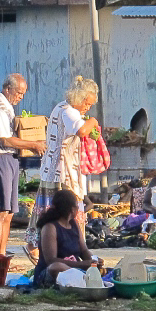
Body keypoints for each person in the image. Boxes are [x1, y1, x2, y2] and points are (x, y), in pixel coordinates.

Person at [27, 75, 100, 253]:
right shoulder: (69, 112)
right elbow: (82, 131)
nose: (87, 108)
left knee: (48, 212)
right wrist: (93, 121)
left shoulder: (60, 107)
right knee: (65, 213)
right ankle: (63, 250)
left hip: (54, 171)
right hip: (63, 174)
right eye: (87, 104)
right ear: (79, 99)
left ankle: (37, 248)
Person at [0, 73, 44, 256]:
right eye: (19, 92)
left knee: (8, 213)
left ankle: (1, 253)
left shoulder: (7, 106)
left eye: (23, 94)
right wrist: (33, 144)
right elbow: (4, 140)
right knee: (0, 212)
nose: (21, 97)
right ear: (8, 89)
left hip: (10, 159)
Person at [32, 189, 101, 287]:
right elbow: (51, 261)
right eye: (77, 205)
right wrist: (83, 264)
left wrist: (94, 262)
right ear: (73, 209)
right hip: (50, 273)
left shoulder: (74, 224)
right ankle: (85, 280)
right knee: (57, 267)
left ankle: (85, 280)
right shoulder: (50, 227)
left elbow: (84, 250)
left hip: (76, 270)